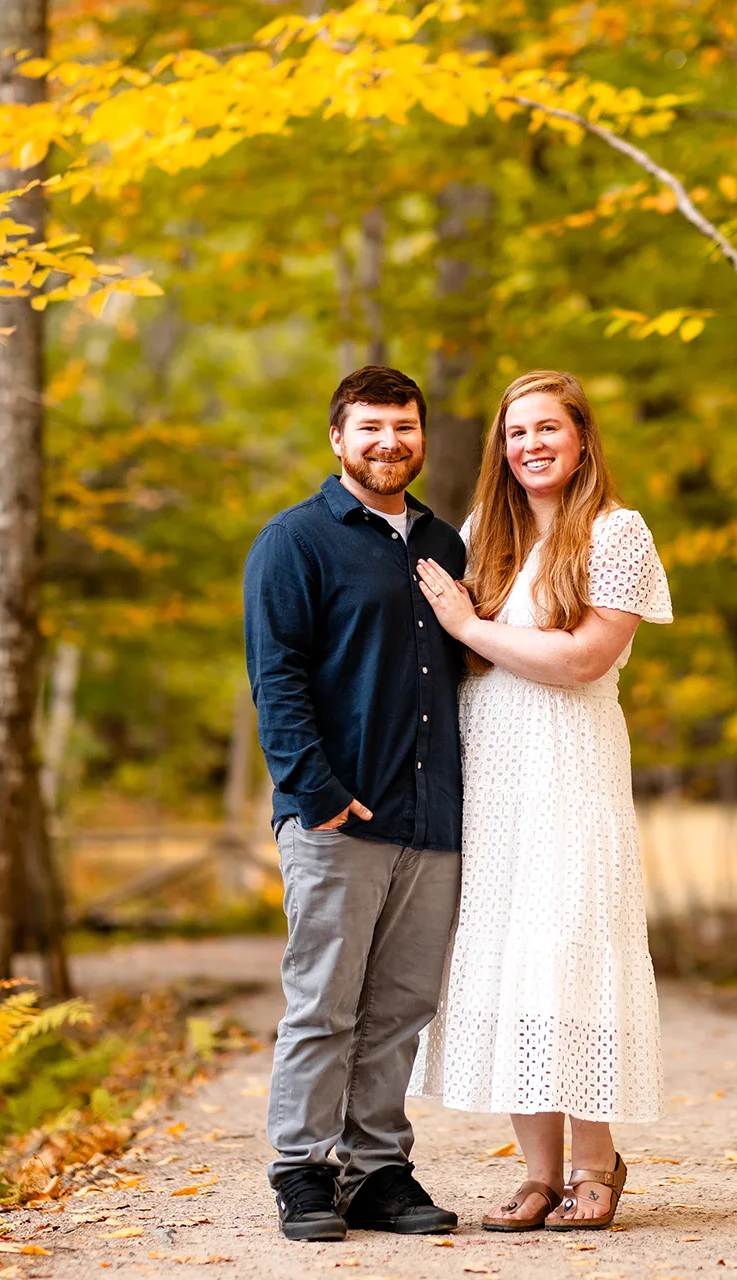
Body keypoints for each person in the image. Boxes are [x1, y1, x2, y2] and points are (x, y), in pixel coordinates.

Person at [410, 369, 672, 1233]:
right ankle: (538, 1174)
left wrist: (470, 628)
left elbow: (582, 660)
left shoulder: (617, 532)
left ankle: (597, 1168)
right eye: (515, 432)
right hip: (493, 784)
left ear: (582, 437)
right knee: (518, 961)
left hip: (572, 777)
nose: (530, 445)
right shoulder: (486, 534)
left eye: (546, 429)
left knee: (572, 954)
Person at [242, 365, 467, 1242]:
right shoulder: (294, 542)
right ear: (338, 438)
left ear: (421, 436)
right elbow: (278, 677)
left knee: (401, 1006)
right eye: (370, 427)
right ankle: (302, 1169)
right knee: (325, 1002)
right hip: (338, 816)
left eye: (404, 427)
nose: (389, 442)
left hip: (432, 818)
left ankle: (376, 1170)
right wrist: (320, 795)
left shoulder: (444, 545)